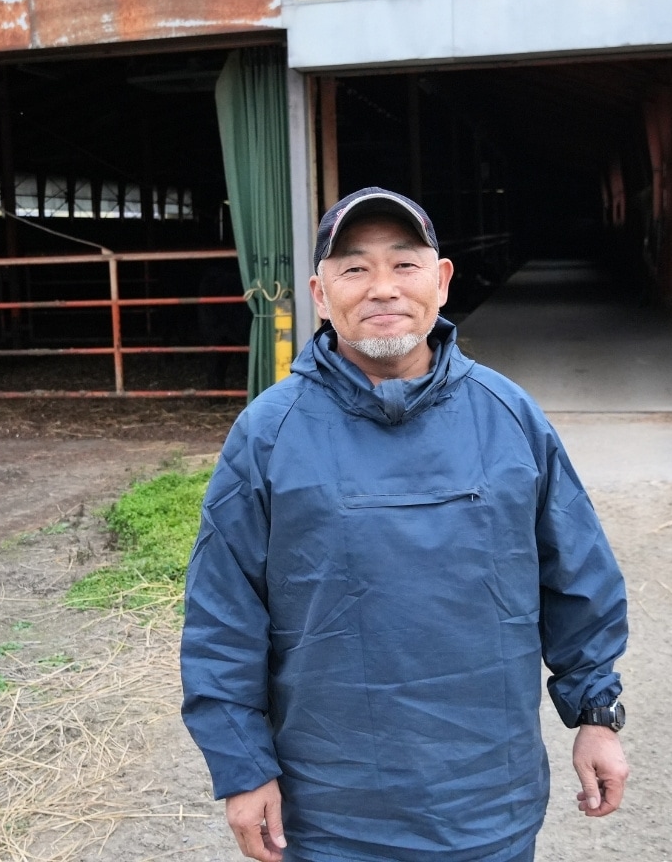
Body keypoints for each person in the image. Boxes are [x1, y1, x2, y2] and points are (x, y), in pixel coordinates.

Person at [181, 187, 629, 862]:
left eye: (405, 264)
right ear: (320, 293)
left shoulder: (508, 416)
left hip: (486, 799)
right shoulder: (269, 434)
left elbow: (577, 576)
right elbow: (223, 613)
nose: (381, 288)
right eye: (354, 269)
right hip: (330, 806)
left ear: (442, 281)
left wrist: (596, 716)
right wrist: (244, 767)